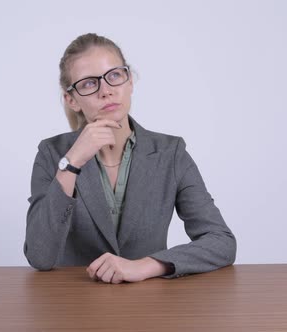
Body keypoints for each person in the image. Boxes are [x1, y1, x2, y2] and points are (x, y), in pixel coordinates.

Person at [24, 33, 236, 284]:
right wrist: (72, 162)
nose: (106, 91)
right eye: (89, 84)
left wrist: (147, 265)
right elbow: (40, 256)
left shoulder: (171, 153)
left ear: (130, 81)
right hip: (74, 304)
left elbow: (221, 241)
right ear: (72, 99)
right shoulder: (52, 154)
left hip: (149, 305)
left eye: (114, 76)